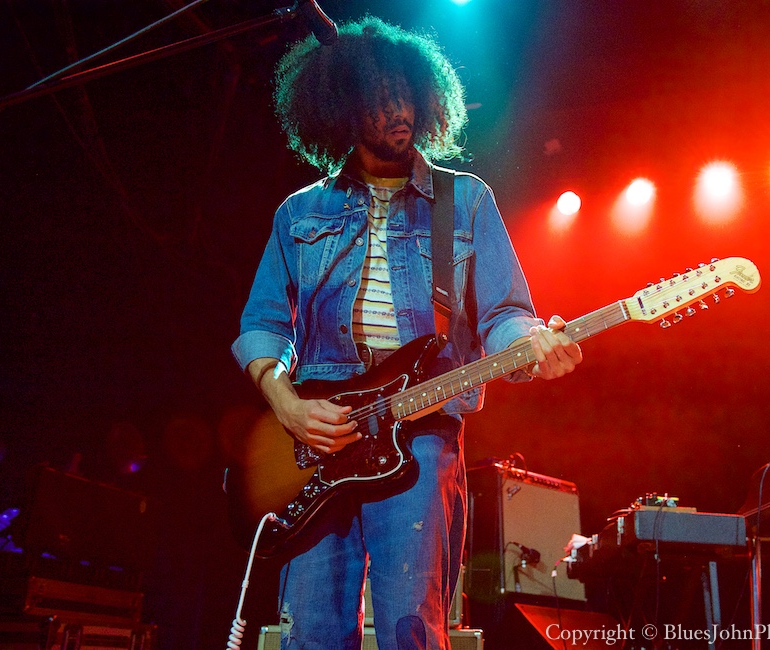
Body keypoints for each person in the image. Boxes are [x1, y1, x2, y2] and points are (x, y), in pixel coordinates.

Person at [231, 16, 582, 650]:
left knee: (408, 629)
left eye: (407, 94)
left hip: (421, 434)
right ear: (340, 108)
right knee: (310, 632)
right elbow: (261, 326)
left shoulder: (464, 201)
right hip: (319, 439)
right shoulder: (299, 212)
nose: (401, 110)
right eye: (381, 97)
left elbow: (504, 316)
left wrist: (531, 346)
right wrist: (286, 402)